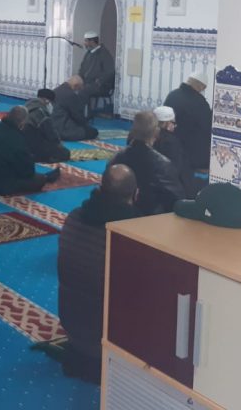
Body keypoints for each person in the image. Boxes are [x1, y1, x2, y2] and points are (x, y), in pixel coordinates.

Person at [57, 164, 138, 383]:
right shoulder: (129, 234)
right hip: (106, 338)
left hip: (71, 324)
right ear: (135, 195)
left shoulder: (74, 217)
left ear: (100, 188)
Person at [108, 111, 185, 215]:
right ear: (156, 132)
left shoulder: (116, 158)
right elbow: (177, 200)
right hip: (149, 216)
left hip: (116, 212)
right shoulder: (162, 164)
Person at [0, 106, 60, 195]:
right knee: (37, 180)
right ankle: (46, 177)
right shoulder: (17, 139)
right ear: (22, 123)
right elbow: (28, 172)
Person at [164, 73, 213, 172]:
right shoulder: (200, 102)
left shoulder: (172, 95)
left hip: (169, 149)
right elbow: (207, 128)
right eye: (203, 88)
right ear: (199, 86)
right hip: (191, 157)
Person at [152, 106, 200, 200]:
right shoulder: (172, 142)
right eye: (173, 123)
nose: (175, 126)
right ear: (167, 124)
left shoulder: (147, 137)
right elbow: (176, 170)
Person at [24, 88, 70, 163]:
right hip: (33, 144)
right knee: (65, 153)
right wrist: (59, 144)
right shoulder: (41, 112)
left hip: (22, 143)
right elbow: (51, 133)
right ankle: (41, 158)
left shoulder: (27, 106)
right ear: (46, 100)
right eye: (51, 102)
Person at [52, 76, 99, 141]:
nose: (78, 91)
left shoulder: (55, 90)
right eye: (79, 88)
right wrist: (86, 127)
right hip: (62, 129)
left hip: (52, 127)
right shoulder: (71, 95)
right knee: (93, 132)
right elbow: (77, 116)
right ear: (75, 86)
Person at [77, 31, 115, 109]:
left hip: (101, 86)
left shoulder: (104, 53)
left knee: (83, 91)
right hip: (88, 83)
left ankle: (84, 114)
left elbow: (109, 72)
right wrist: (78, 79)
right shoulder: (88, 53)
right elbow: (82, 69)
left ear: (92, 41)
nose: (84, 43)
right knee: (70, 88)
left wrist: (98, 82)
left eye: (86, 41)